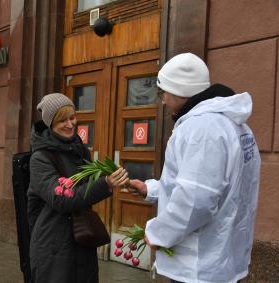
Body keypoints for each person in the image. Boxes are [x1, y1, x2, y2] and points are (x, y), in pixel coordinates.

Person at [128, 53, 261, 283]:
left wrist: (158, 233)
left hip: (199, 267)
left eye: (163, 93)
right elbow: (211, 187)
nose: (162, 101)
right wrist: (151, 190)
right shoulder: (236, 126)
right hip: (223, 259)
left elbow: (196, 200)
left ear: (179, 91)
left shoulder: (201, 129)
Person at [27, 93, 129, 283]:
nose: (69, 124)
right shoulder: (41, 158)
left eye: (72, 118)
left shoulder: (80, 150)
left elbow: (86, 192)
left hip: (81, 239)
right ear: (50, 123)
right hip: (53, 246)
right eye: (62, 120)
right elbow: (61, 199)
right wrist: (104, 184)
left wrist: (116, 180)